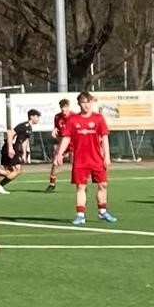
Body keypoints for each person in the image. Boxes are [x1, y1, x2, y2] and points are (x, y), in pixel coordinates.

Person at [53, 91, 116, 225]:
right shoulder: (73, 120)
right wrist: (59, 154)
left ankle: (102, 211)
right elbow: (66, 138)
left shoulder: (98, 118)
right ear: (79, 104)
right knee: (81, 187)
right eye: (83, 102)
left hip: (97, 159)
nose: (86, 105)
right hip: (80, 160)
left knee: (103, 184)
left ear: (92, 102)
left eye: (88, 102)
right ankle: (80, 215)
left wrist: (107, 156)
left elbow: (104, 137)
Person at [0, 109, 40, 193]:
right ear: (31, 117)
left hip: (14, 149)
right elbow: (10, 133)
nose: (38, 119)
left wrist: (24, 154)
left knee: (10, 172)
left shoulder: (29, 128)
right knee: (17, 170)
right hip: (11, 148)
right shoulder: (24, 125)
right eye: (37, 116)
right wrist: (10, 148)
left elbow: (24, 141)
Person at [46, 97, 72, 191]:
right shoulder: (57, 117)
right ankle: (52, 184)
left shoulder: (74, 116)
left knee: (76, 163)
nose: (63, 109)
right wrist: (54, 131)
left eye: (65, 107)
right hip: (63, 143)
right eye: (62, 107)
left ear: (68, 107)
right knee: (55, 162)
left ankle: (80, 183)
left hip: (74, 143)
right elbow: (57, 128)